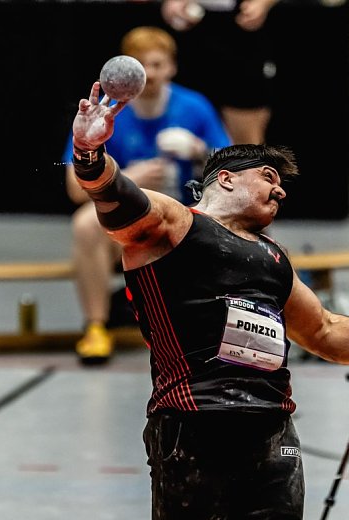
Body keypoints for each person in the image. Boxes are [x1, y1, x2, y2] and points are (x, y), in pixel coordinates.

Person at [69, 76, 349, 520]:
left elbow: (324, 331)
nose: (280, 189)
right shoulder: (178, 225)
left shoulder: (274, 257)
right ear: (225, 179)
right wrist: (89, 153)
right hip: (193, 426)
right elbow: (117, 201)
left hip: (271, 430)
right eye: (268, 176)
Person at [63, 26, 231, 365]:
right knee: (84, 225)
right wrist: (125, 178)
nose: (151, 74)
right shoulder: (105, 113)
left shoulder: (194, 107)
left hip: (184, 220)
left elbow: (234, 171)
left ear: (172, 67)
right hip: (127, 223)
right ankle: (96, 327)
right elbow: (73, 189)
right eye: (143, 65)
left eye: (157, 64)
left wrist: (199, 151)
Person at [161, 0, 279, 144]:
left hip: (242, 30)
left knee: (246, 141)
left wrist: (263, 3)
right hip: (193, 27)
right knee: (181, 134)